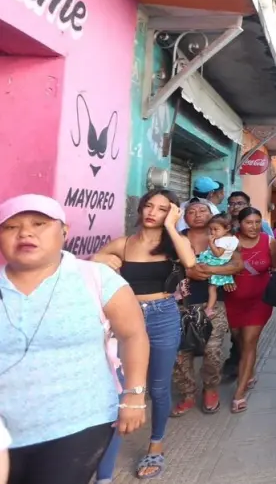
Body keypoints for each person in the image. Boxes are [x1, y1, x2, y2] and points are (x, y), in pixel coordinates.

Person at [0, 194, 149, 484]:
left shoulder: (96, 279)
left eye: (39, 223)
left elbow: (133, 336)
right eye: (10, 227)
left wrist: (134, 395)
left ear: (64, 231)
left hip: (78, 422)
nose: (25, 233)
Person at [91, 189, 198, 481]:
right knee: (118, 388)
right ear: (140, 209)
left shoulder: (174, 243)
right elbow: (92, 265)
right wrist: (100, 257)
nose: (152, 212)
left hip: (163, 315)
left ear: (171, 213)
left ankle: (156, 443)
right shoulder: (124, 244)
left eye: (162, 209)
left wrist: (172, 226)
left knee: (159, 388)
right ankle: (105, 466)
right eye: (149, 206)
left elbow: (190, 263)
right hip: (126, 318)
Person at [170, 199, 243, 416]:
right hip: (180, 304)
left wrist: (203, 269)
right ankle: (188, 393)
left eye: (203, 210)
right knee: (180, 352)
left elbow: (237, 265)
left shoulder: (225, 239)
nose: (197, 214)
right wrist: (189, 271)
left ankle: (210, 389)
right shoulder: (177, 239)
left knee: (212, 350)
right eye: (191, 211)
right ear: (184, 216)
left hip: (213, 302)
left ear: (212, 213)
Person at [224, 207, 276, 413]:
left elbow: (275, 267)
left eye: (257, 222)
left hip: (260, 301)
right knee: (239, 339)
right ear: (239, 223)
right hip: (232, 302)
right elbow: (218, 265)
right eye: (249, 222)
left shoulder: (269, 242)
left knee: (249, 342)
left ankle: (239, 392)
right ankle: (249, 371)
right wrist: (227, 278)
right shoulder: (229, 242)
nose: (254, 227)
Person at [196, 213, 239, 318]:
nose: (212, 232)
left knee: (193, 266)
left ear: (227, 228)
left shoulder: (223, 241)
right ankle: (209, 309)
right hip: (221, 262)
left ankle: (209, 308)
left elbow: (218, 253)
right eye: (211, 229)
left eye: (216, 229)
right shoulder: (233, 239)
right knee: (212, 288)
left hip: (215, 261)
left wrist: (211, 243)